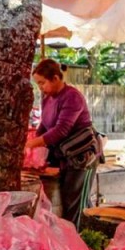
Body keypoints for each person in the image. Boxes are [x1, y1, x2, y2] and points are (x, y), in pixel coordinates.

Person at [26, 58, 101, 228]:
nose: (40, 88)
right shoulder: (47, 98)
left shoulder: (72, 97)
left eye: (42, 83)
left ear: (55, 78)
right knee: (67, 203)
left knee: (76, 207)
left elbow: (61, 130)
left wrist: (31, 145)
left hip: (81, 158)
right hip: (63, 158)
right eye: (38, 84)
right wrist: (32, 140)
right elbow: (45, 125)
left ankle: (83, 244)